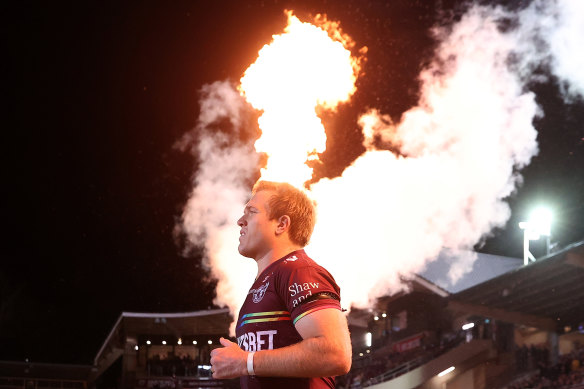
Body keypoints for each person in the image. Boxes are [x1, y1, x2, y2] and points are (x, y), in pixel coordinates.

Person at [210, 180, 352, 388]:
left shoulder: (298, 271)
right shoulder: (269, 279)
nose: (241, 221)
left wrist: (246, 361)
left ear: (282, 224)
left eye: (251, 212)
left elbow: (335, 353)